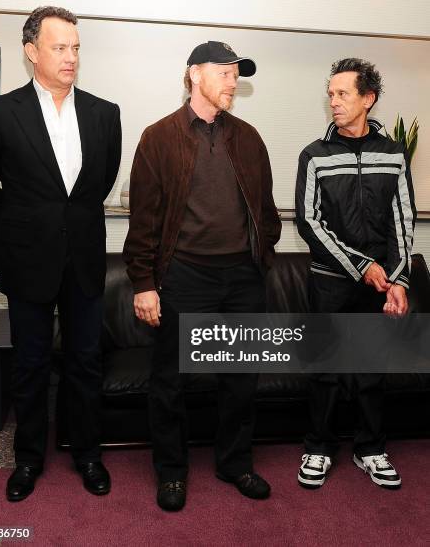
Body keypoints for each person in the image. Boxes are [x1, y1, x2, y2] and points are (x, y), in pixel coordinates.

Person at [0, 6, 122, 501]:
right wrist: (22, 228)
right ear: (31, 52)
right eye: (60, 47)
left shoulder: (105, 114)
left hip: (83, 261)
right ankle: (29, 459)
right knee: (30, 365)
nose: (71, 57)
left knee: (85, 362)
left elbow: (96, 185)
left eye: (76, 47)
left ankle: (87, 454)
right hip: (26, 259)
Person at [123, 41, 281, 511]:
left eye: (237, 74)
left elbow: (267, 211)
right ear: (195, 75)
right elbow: (144, 220)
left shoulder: (249, 138)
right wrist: (144, 283)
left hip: (241, 278)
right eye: (225, 73)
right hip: (184, 276)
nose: (234, 82)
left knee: (241, 379)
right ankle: (171, 472)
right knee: (170, 380)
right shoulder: (159, 137)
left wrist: (259, 254)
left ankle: (235, 462)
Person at [295, 58, 416, 490]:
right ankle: (319, 447)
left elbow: (403, 221)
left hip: (380, 283)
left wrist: (398, 280)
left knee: (370, 368)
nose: (334, 101)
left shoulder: (395, 154)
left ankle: (370, 449)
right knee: (324, 368)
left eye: (343, 94)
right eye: (330, 94)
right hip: (329, 281)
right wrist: (360, 266)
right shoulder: (314, 156)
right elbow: (309, 223)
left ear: (369, 98)